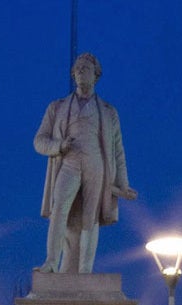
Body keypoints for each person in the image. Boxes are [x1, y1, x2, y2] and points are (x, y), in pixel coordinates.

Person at [33, 53, 137, 273]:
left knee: (91, 217)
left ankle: (85, 271)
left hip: (96, 164)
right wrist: (59, 145)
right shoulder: (57, 107)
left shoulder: (108, 112)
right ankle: (51, 262)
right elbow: (39, 141)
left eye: (86, 68)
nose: (80, 71)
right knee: (59, 209)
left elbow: (118, 150)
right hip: (69, 162)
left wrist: (123, 184)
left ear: (96, 75)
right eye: (77, 68)